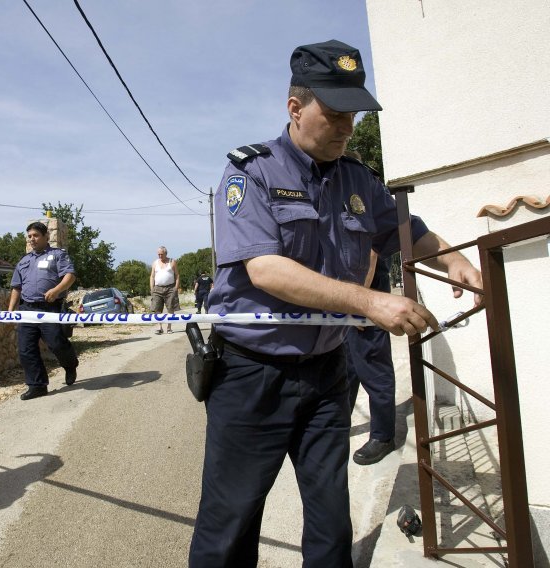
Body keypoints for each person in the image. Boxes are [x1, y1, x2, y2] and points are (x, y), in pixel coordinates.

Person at [189, 39, 482, 568]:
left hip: (327, 373)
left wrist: (454, 259)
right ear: (295, 108)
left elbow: (405, 231)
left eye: (354, 114)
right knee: (229, 523)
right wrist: (367, 301)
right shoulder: (251, 172)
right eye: (336, 113)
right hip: (252, 377)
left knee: (330, 519)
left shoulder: (357, 179)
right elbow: (265, 269)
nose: (347, 126)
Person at [8, 221, 78, 401]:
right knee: (26, 349)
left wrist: (56, 290)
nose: (32, 239)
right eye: (29, 236)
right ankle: (37, 386)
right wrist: (10, 310)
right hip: (27, 309)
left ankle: (70, 365)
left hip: (50, 308)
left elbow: (69, 276)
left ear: (46, 236)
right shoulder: (23, 261)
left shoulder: (57, 255)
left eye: (36, 235)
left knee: (56, 342)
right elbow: (16, 287)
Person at [346, 252, 397, 465]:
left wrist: (360, 306)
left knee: (375, 373)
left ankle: (382, 437)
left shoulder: (365, 218)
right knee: (345, 373)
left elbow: (371, 254)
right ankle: (338, 424)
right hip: (347, 307)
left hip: (366, 306)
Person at [149, 246, 180, 334]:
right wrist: (152, 288)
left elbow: (177, 275)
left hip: (170, 288)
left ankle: (169, 327)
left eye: (161, 254)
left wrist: (175, 288)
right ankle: (159, 327)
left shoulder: (172, 262)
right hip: (157, 288)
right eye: (158, 254)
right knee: (157, 308)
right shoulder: (155, 263)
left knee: (170, 308)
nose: (160, 256)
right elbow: (152, 276)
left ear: (166, 253)